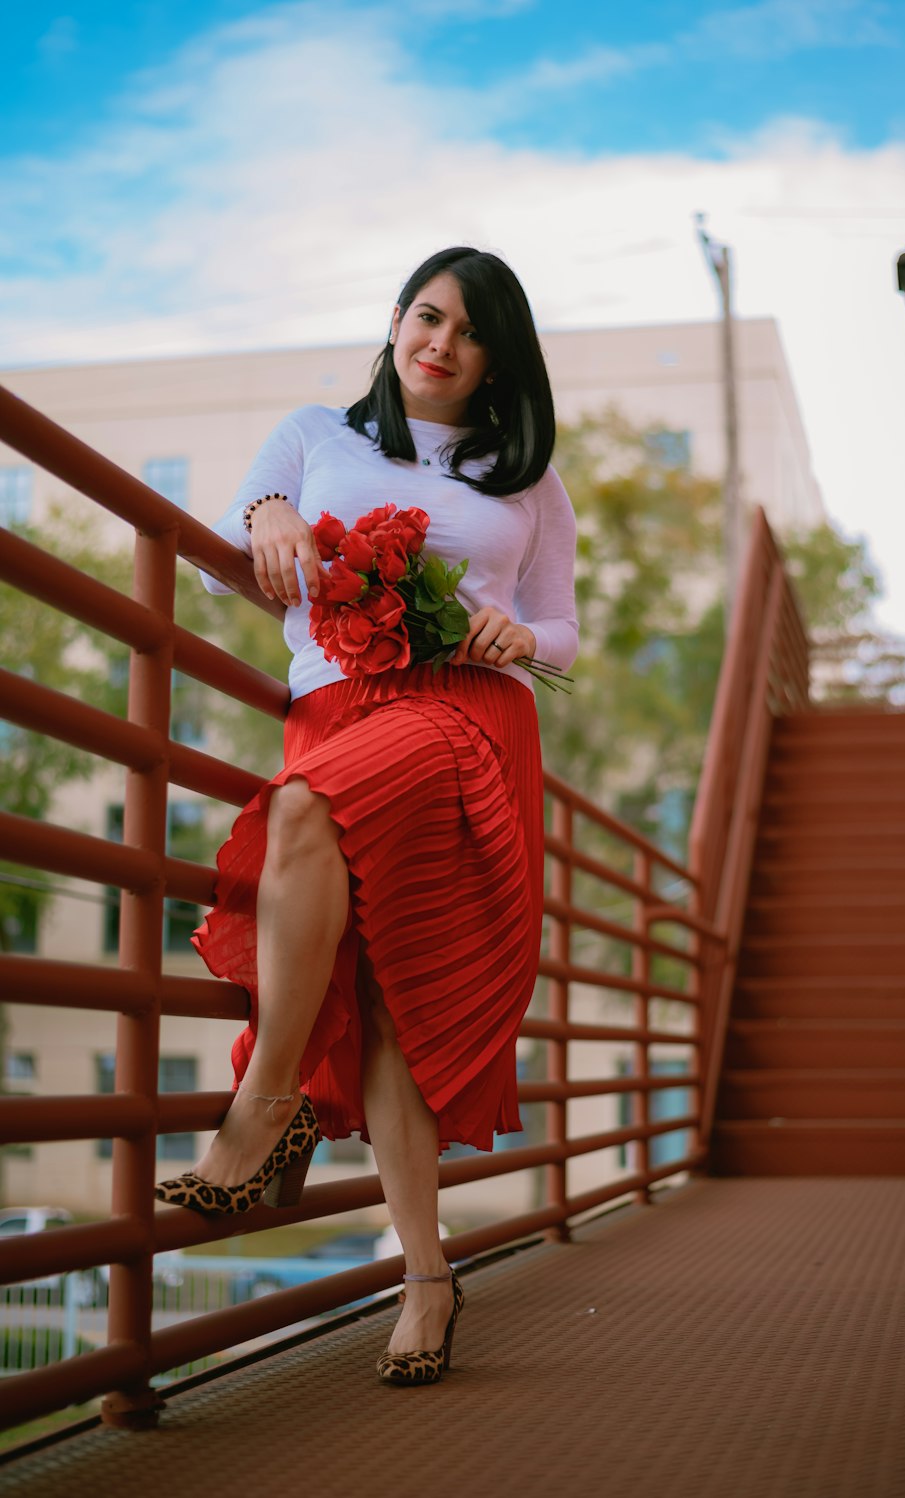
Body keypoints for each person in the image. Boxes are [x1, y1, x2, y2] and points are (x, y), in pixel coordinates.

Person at [154, 246, 578, 1385]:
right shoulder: (311, 436)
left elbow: (563, 626)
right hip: (338, 709)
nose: (439, 343)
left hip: (459, 722)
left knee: (299, 814)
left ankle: (266, 1102)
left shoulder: (525, 479)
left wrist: (523, 637)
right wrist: (274, 512)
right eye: (425, 316)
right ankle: (429, 1281)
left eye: (469, 331)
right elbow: (223, 565)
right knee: (386, 993)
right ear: (395, 323)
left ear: (497, 360)